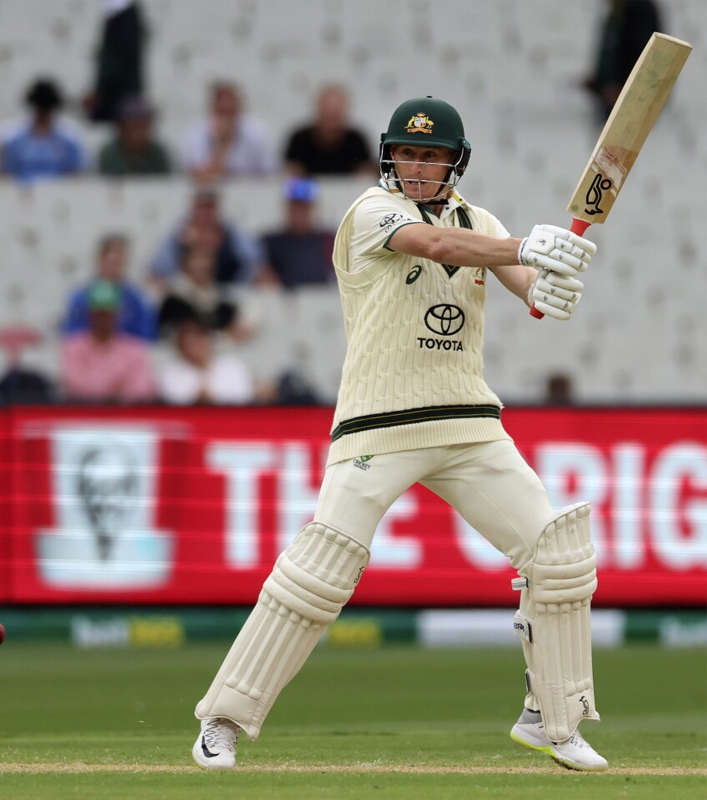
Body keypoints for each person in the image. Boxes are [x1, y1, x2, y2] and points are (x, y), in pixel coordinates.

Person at [192, 96, 607, 773]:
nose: (418, 167)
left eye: (432, 155)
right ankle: (224, 719)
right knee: (320, 570)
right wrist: (526, 247)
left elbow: (525, 284)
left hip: (468, 422)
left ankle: (554, 721)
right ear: (390, 156)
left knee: (557, 552)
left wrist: (550, 283)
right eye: (408, 153)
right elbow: (438, 245)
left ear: (454, 162)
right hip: (377, 424)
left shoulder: (483, 220)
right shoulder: (371, 213)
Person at [61, 280, 156, 403]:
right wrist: (117, 385)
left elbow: (141, 391)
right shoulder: (72, 347)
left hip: (126, 418)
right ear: (89, 314)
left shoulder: (136, 348)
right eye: (99, 313)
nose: (103, 318)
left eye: (108, 313)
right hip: (85, 418)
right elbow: (76, 388)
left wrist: (100, 386)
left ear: (118, 314)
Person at [148, 187, 262, 290]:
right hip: (186, 296)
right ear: (193, 208)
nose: (205, 212)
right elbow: (159, 269)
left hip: (227, 293)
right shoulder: (177, 235)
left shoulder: (232, 233)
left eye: (209, 207)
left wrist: (240, 288)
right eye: (201, 207)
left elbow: (253, 262)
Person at [63, 234, 158, 341]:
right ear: (100, 260)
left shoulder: (137, 300)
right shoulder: (81, 297)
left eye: (120, 261)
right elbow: (71, 335)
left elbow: (146, 336)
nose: (116, 267)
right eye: (113, 261)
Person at [180, 82, 277, 181]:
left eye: (230, 112)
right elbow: (200, 177)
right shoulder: (196, 133)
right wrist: (222, 144)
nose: (226, 118)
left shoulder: (257, 133)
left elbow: (270, 174)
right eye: (221, 112)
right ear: (212, 109)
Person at [583, 0, 662, 120]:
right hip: (613, 91)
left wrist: (620, 84)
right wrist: (600, 80)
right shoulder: (618, 8)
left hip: (627, 94)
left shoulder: (639, 7)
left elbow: (642, 51)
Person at [0, 78, 85, 182]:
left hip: (58, 194)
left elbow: (75, 176)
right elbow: (6, 175)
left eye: (47, 108)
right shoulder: (14, 139)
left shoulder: (69, 140)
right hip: (22, 193)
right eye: (40, 108)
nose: (43, 113)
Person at [283, 84, 377, 177]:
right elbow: (288, 172)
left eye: (335, 113)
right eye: (327, 113)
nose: (331, 119)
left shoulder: (356, 141)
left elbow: (368, 173)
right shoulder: (300, 140)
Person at [157, 316, 255, 405]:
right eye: (190, 344)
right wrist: (197, 400)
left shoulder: (233, 366)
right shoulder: (171, 375)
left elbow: (245, 400)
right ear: (181, 349)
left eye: (200, 338)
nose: (198, 346)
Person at [257, 178, 336, 288]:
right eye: (295, 207)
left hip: (322, 300)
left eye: (303, 208)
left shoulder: (328, 240)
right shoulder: (270, 242)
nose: (299, 214)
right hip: (284, 302)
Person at [157, 246, 247, 340]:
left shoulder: (223, 299)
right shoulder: (172, 298)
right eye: (196, 260)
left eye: (206, 259)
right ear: (184, 263)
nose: (201, 265)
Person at [84, 0, 147, 123]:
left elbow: (118, 61)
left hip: (120, 96)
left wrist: (100, 90)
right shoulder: (123, 14)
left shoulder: (125, 16)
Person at [96, 96, 172, 176]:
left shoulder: (158, 153)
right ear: (121, 128)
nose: (139, 132)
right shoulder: (109, 155)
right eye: (134, 126)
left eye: (144, 125)